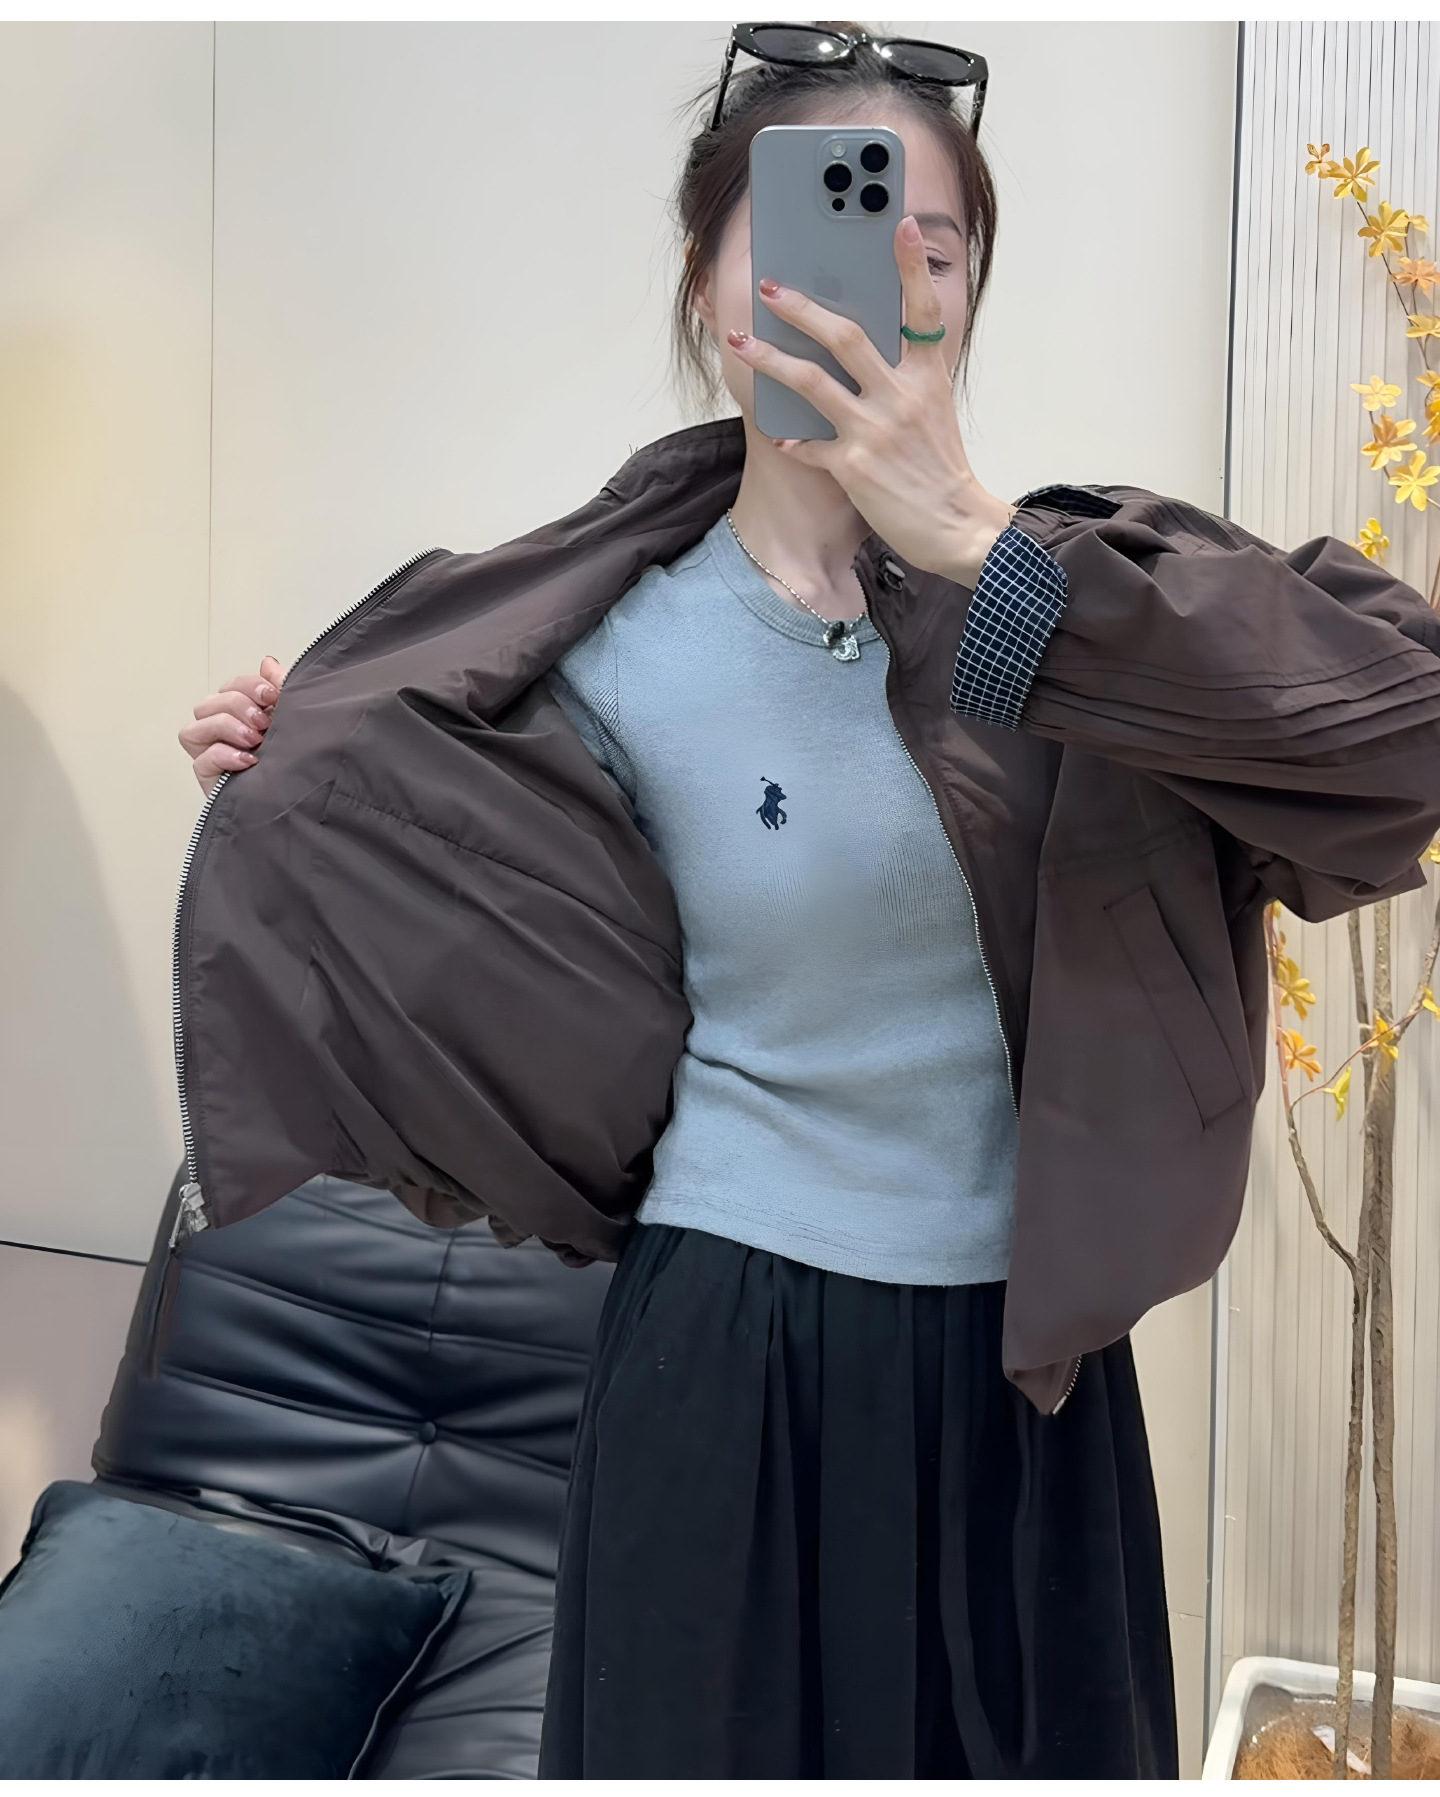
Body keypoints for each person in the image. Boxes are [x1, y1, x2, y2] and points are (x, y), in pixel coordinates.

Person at [177, 23, 1440, 1781]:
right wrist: (283, 778)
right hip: (724, 1358)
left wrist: (981, 547)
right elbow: (439, 914)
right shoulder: (605, 642)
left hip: (1024, 1381)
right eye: (829, 232)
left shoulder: (1081, 599)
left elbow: (1399, 740)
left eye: (939, 249)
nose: (892, 284)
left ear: (972, 299)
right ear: (714, 289)